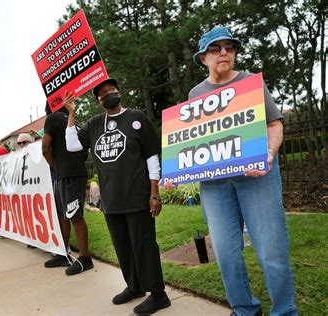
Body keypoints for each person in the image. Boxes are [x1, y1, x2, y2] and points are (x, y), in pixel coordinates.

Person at [188, 26, 297, 316]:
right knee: (225, 252)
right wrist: (180, 171)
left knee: (271, 250)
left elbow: (275, 125)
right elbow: (192, 142)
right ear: (203, 58)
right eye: (215, 48)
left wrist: (269, 154)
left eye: (229, 47)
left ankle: (284, 311)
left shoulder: (251, 82)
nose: (223, 52)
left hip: (256, 177)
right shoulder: (195, 93)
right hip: (215, 185)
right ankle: (245, 309)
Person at [63, 79, 171, 314]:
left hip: (138, 196)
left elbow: (152, 156)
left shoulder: (136, 117)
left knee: (144, 246)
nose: (108, 93)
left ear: (119, 92)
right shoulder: (93, 124)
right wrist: (71, 113)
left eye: (111, 89)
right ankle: (134, 287)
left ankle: (158, 294)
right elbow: (72, 145)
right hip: (111, 200)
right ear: (98, 101)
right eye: (103, 93)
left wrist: (155, 194)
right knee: (122, 247)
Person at [42, 102, 94, 276]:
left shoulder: (53, 118)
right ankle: (63, 254)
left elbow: (45, 148)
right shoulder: (74, 122)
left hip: (67, 174)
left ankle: (85, 259)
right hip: (73, 172)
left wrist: (56, 167)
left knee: (74, 216)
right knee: (65, 215)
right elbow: (84, 151)